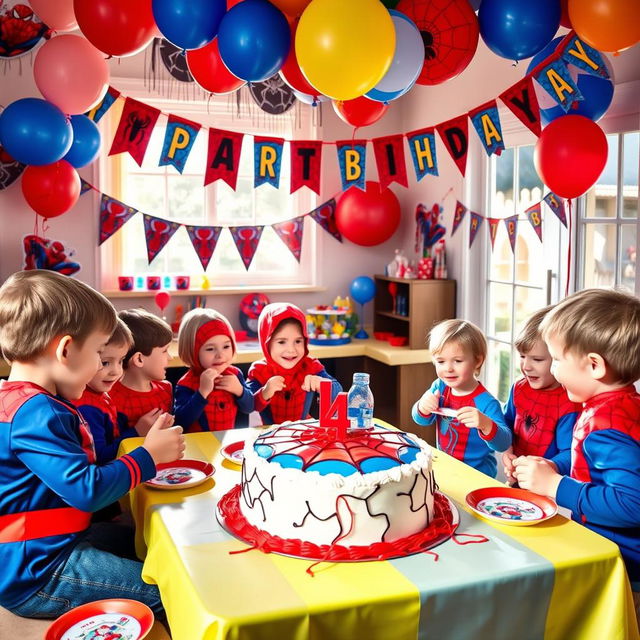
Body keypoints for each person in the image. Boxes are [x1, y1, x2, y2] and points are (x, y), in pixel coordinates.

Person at [0, 270, 184, 619]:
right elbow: (87, 490)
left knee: (157, 548)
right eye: (100, 354)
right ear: (66, 349)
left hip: (51, 547)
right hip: (39, 571)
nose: (103, 368)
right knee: (174, 591)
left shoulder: (22, 401)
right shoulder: (36, 413)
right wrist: (149, 455)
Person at [512, 288, 640, 621]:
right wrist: (555, 465)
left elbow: (632, 504)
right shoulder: (619, 404)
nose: (552, 369)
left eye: (556, 359)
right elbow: (592, 460)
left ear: (594, 365)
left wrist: (555, 486)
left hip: (624, 570)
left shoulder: (607, 426)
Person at [412, 319, 511, 477]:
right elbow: (422, 420)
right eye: (441, 361)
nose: (448, 368)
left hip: (478, 476)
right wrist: (422, 407)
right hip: (445, 468)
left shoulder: (486, 403)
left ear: (477, 361)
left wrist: (486, 424)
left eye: (457, 361)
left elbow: (504, 443)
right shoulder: (440, 387)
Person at [502, 306, 582, 484]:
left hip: (549, 485)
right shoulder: (518, 388)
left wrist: (548, 466)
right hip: (517, 477)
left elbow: (570, 453)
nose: (526, 366)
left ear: (559, 358)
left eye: (537, 359)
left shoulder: (570, 401)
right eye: (522, 356)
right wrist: (507, 451)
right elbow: (506, 425)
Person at [247, 302, 341, 425]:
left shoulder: (310, 365)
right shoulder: (259, 370)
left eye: (298, 341)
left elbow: (338, 391)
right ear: (266, 343)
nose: (291, 350)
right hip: (268, 434)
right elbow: (248, 405)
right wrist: (265, 392)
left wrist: (323, 384)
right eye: (281, 342)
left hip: (301, 431)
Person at [174, 308, 253, 431]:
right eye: (210, 349)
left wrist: (240, 390)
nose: (220, 355)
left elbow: (249, 407)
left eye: (226, 346)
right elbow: (181, 422)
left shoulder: (235, 374)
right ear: (193, 351)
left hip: (227, 442)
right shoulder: (186, 383)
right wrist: (202, 392)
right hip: (198, 446)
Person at [110, 309, 173, 432]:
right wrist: (138, 431)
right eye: (165, 351)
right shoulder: (112, 399)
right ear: (139, 359)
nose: (170, 358)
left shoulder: (166, 389)